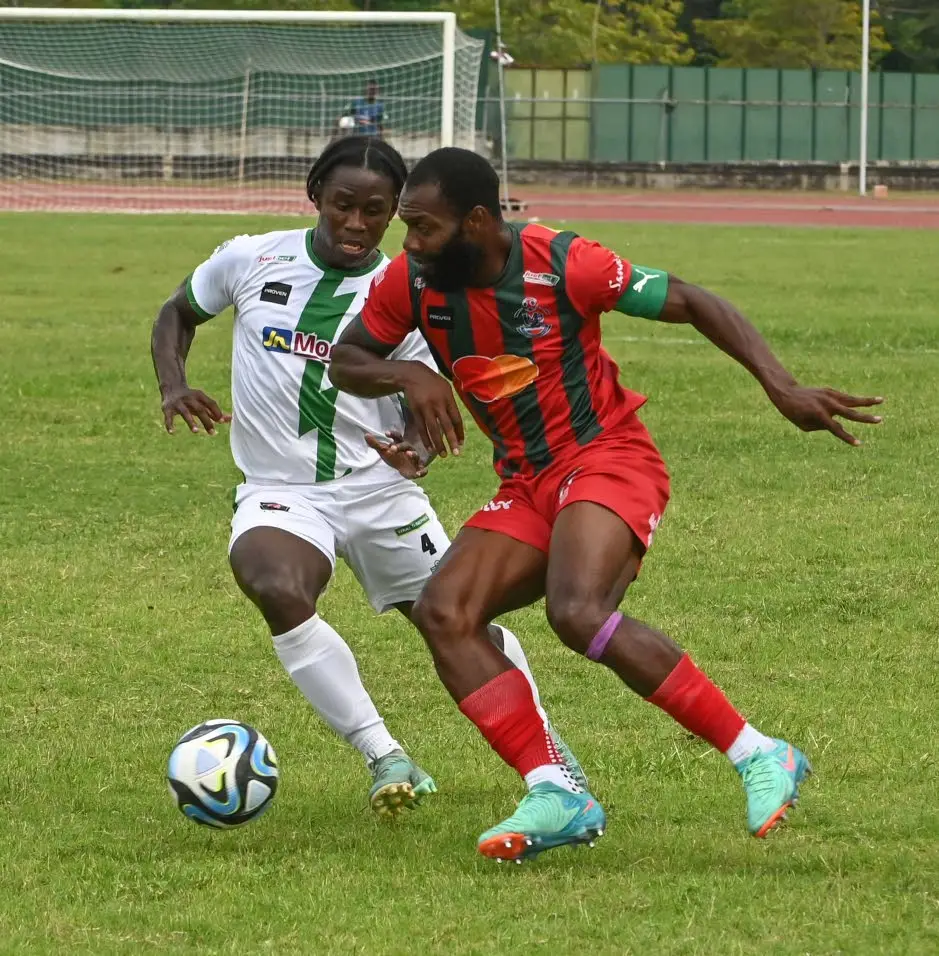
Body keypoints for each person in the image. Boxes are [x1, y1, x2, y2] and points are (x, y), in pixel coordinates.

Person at [329, 146, 885, 861]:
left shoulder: (565, 263)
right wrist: (407, 373)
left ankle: (757, 753)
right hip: (525, 482)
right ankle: (556, 792)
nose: (407, 244)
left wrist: (779, 386)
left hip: (607, 459)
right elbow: (346, 359)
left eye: (424, 228)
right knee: (445, 613)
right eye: (406, 227)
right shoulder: (413, 280)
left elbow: (691, 300)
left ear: (475, 221)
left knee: (577, 611)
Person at [150, 137, 585, 820]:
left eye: (374, 211)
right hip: (281, 489)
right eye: (342, 205)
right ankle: (383, 752)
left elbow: (431, 407)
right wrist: (173, 385)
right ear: (315, 196)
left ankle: (548, 751)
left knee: (455, 620)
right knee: (273, 583)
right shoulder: (250, 258)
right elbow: (177, 312)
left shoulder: (413, 292)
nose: (355, 224)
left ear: (396, 214)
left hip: (379, 491)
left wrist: (416, 449)